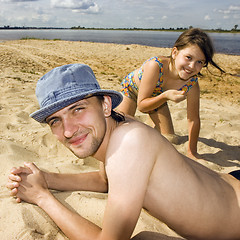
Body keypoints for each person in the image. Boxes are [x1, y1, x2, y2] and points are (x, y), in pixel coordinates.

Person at [6, 64, 240, 240]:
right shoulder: (118, 124)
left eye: (78, 109)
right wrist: (46, 179)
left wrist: (41, 197)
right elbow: (105, 180)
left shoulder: (129, 142)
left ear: (106, 105)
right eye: (55, 120)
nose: (67, 131)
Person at [117, 28, 225, 160]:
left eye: (199, 62)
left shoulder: (192, 84)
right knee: (119, 130)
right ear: (175, 53)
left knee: (170, 138)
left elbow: (193, 119)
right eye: (188, 57)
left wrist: (192, 152)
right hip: (132, 91)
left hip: (158, 99)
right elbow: (142, 105)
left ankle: (151, 122)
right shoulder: (156, 66)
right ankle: (147, 121)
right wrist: (165, 96)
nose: (191, 66)